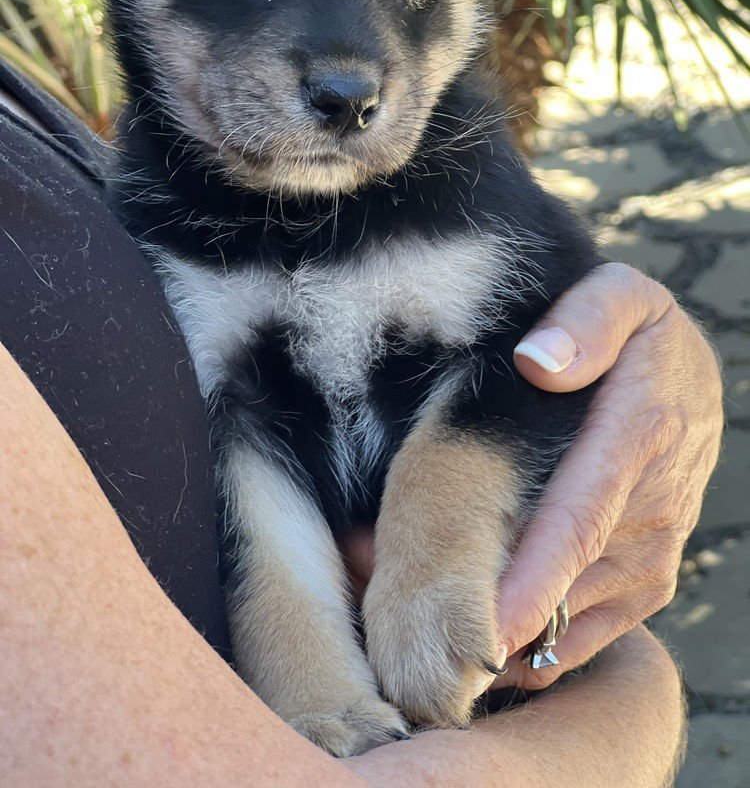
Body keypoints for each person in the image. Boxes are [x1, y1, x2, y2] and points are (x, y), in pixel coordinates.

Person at [0, 57, 721, 785]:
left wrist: (660, 369)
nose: (349, 71)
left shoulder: (42, 96)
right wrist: (636, 693)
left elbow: (546, 353)